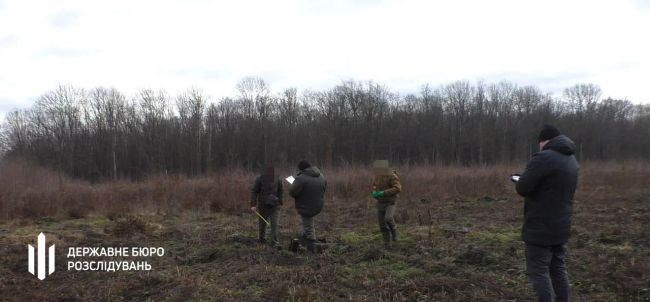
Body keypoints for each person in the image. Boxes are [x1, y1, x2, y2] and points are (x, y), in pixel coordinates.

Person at [514, 125, 578, 302]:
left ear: (543, 141)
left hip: (540, 227)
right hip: (561, 225)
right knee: (558, 270)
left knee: (539, 272)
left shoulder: (543, 157)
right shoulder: (571, 158)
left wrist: (520, 179)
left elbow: (523, 187)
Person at [288, 160, 327, 252]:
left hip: (306, 205)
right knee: (308, 222)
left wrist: (293, 183)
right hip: (318, 203)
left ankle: (312, 243)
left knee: (308, 221)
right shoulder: (321, 175)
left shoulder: (301, 178)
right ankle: (305, 235)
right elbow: (324, 188)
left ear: (301, 169)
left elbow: (292, 192)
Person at [371, 160, 402, 249]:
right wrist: (374, 192)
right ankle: (387, 244)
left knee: (388, 218)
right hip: (380, 203)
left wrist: (383, 193)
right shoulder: (377, 176)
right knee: (382, 225)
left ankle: (395, 232)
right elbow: (374, 185)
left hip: (390, 202)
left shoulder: (392, 176)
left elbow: (398, 188)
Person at [250, 166, 283, 247]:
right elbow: (254, 191)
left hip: (275, 206)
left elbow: (281, 190)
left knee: (274, 224)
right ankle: (261, 239)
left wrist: (280, 201)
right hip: (263, 205)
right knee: (262, 224)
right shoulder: (259, 178)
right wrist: (253, 205)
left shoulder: (278, 178)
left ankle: (274, 242)